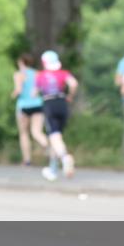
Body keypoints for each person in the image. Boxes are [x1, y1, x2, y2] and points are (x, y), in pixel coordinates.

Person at [36, 51, 78, 180]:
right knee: (56, 138)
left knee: (54, 137)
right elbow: (74, 84)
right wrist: (70, 96)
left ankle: (65, 157)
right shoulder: (64, 73)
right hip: (62, 103)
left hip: (50, 104)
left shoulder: (41, 75)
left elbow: (35, 91)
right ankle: (53, 169)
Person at [11, 53, 48, 167]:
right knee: (36, 132)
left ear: (21, 62)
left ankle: (27, 160)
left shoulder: (18, 74)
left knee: (24, 133)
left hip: (24, 106)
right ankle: (50, 148)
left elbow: (18, 90)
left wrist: (12, 95)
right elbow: (41, 89)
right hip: (37, 104)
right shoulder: (37, 73)